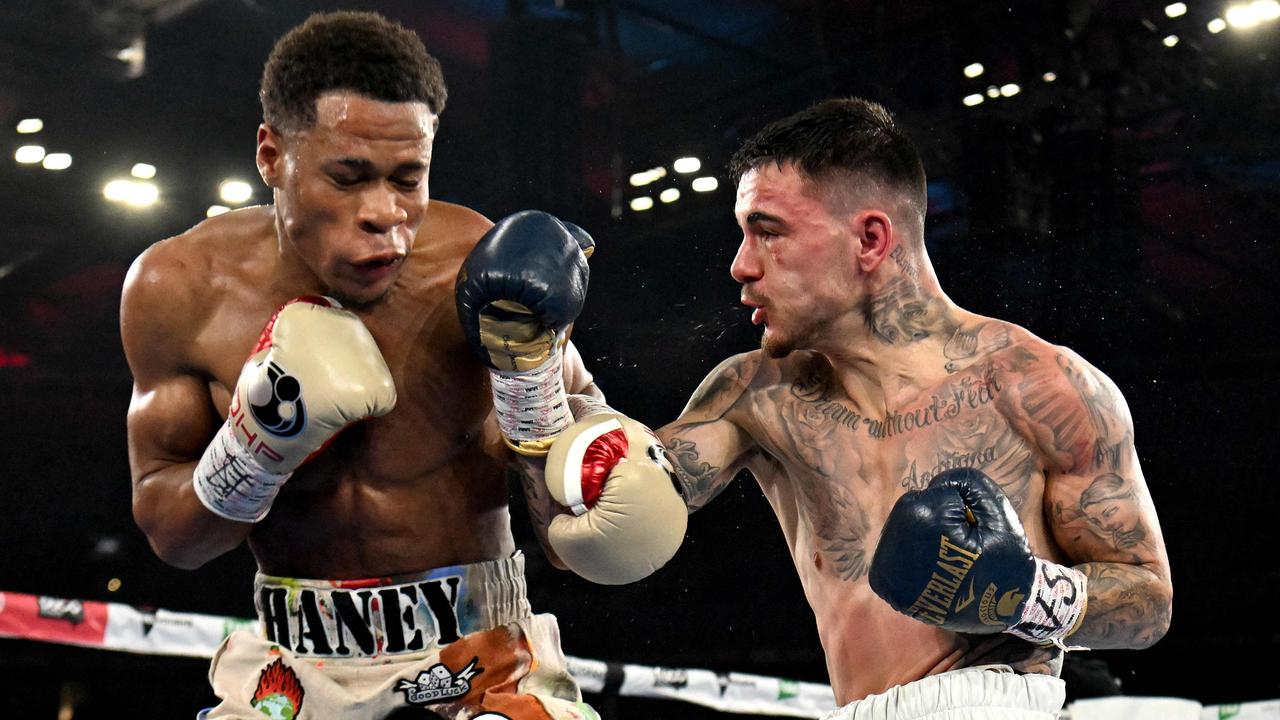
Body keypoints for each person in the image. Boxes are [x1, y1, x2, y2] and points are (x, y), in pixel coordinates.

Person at [542, 98, 1172, 718]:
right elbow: (593, 524)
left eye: (768, 232)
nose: (741, 266)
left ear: (870, 238)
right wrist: (534, 369)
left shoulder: (1041, 386)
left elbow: (1148, 602)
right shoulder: (756, 395)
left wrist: (1022, 593)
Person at [120, 11, 633, 719]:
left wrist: (531, 393)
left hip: (482, 659)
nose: (384, 214)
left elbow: (579, 533)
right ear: (271, 156)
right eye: (349, 177)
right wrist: (255, 447)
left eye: (407, 178)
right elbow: (174, 538)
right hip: (296, 670)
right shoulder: (179, 289)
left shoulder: (475, 267)